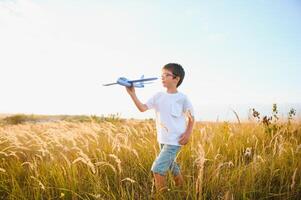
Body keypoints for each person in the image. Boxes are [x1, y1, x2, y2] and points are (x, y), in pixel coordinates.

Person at [125, 63, 195, 192]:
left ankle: (161, 196)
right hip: (163, 139)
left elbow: (191, 117)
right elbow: (142, 108)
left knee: (157, 169)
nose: (162, 77)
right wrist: (132, 94)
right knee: (171, 165)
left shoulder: (182, 98)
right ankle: (183, 190)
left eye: (166, 75)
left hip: (175, 140)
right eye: (161, 75)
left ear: (176, 79)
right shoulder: (158, 96)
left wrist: (188, 133)